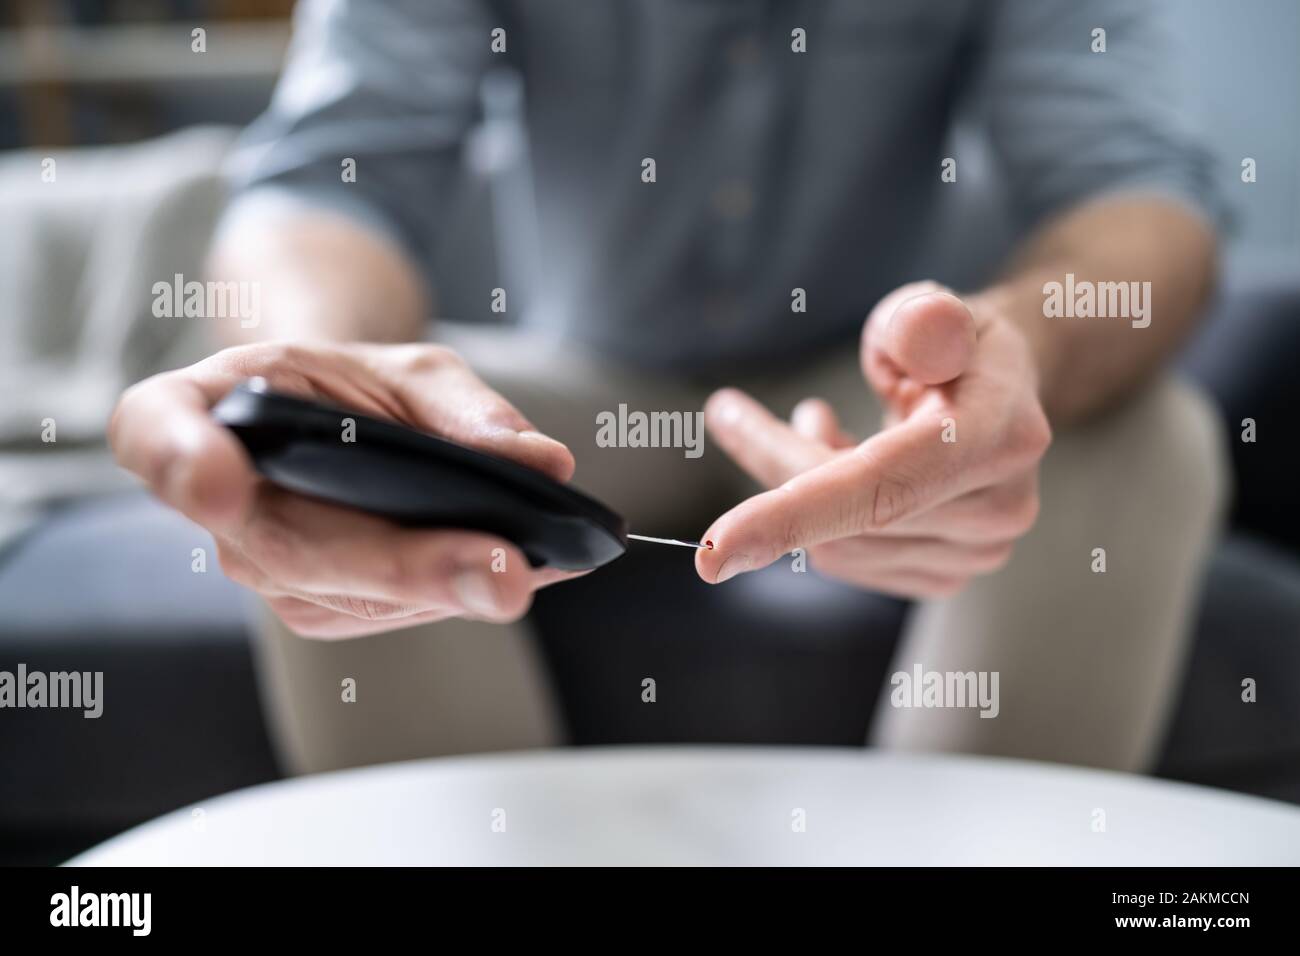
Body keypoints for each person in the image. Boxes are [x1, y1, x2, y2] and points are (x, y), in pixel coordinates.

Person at [108, 0, 1228, 774]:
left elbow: (1138, 192)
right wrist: (321, 376)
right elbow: (337, 169)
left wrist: (1011, 343)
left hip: (862, 394)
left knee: (1143, 430)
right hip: (579, 390)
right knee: (359, 449)